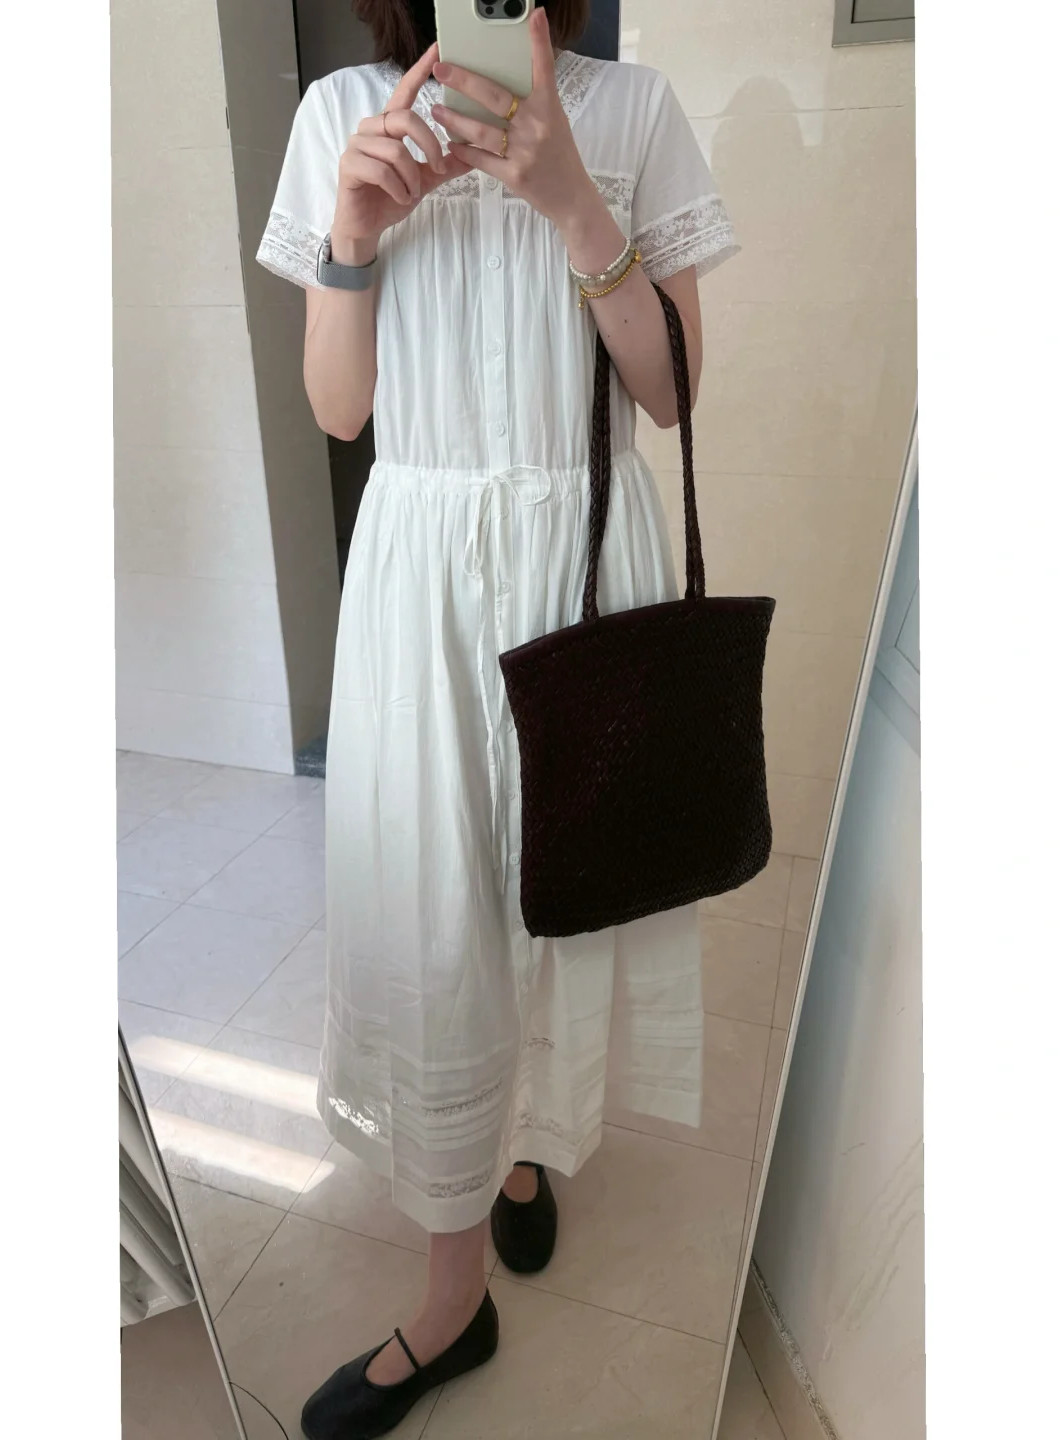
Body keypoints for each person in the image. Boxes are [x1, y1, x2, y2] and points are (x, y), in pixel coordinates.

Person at [257, 2, 739, 1433]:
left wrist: (574, 200)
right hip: (419, 584)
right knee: (435, 921)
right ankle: (451, 1296)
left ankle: (521, 1148)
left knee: (558, 894)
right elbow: (340, 410)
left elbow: (671, 394)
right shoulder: (341, 113)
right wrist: (354, 234)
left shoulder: (633, 111)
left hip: (578, 568)